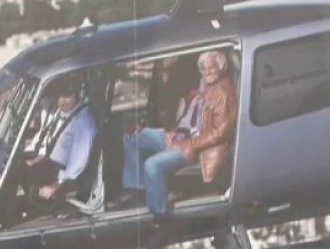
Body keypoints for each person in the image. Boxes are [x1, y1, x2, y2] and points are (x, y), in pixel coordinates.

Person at [121, 50, 238, 218]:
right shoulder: (202, 87)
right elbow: (190, 117)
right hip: (180, 136)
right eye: (203, 69)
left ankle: (160, 218)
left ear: (221, 67)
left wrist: (188, 144)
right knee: (132, 137)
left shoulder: (223, 93)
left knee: (152, 165)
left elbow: (220, 132)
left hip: (195, 147)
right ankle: (137, 190)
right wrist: (172, 131)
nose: (207, 73)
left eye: (211, 69)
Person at [20, 76, 99, 215]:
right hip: (51, 165)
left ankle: (48, 207)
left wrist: (55, 186)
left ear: (79, 95)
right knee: (17, 164)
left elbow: (79, 162)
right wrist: (37, 159)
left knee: (25, 180)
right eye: (59, 96)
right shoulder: (62, 114)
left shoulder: (83, 123)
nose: (61, 100)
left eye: (67, 96)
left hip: (64, 177)